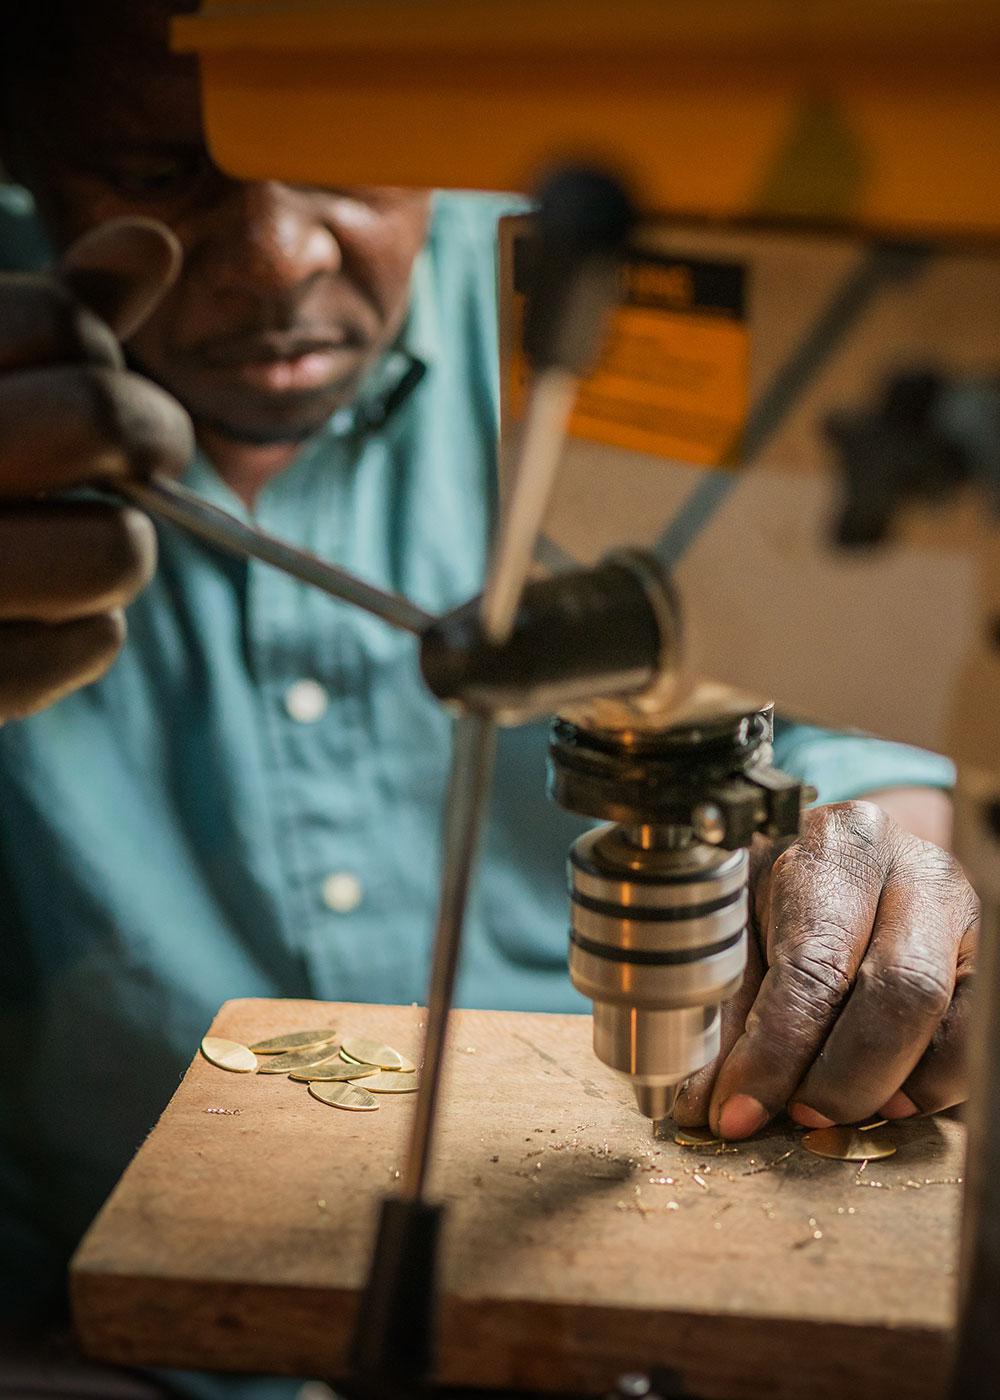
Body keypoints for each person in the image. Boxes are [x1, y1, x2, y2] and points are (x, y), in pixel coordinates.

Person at [0, 2, 977, 1396]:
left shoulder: (615, 299)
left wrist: (884, 886)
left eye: (348, 160)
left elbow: (846, 727)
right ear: (24, 156)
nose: (282, 256)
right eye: (161, 176)